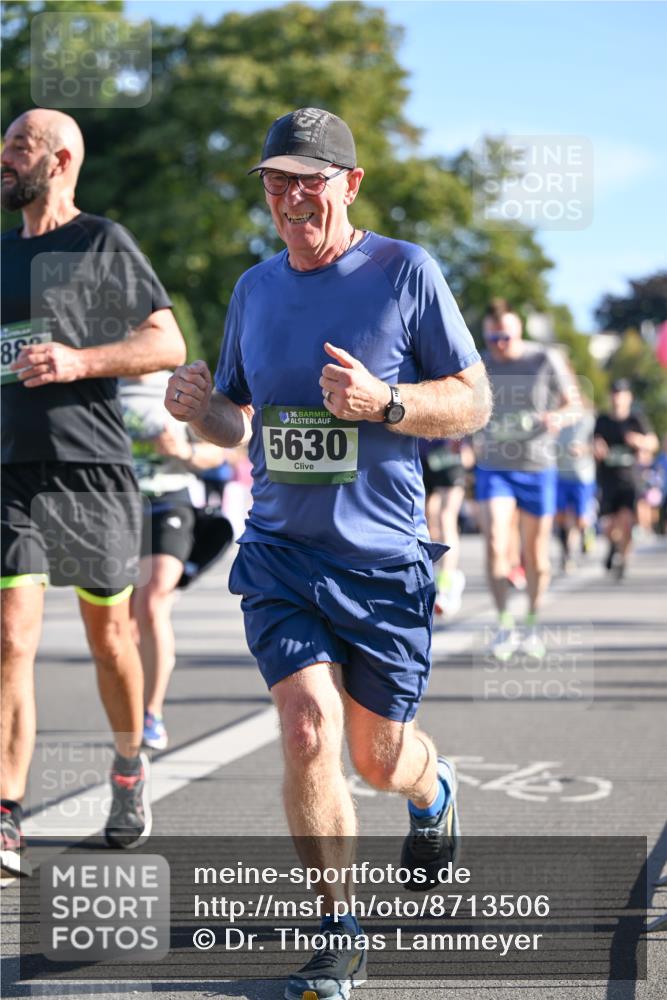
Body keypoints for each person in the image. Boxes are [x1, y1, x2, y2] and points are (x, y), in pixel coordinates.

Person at [164, 108, 491, 1000]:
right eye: (276, 181)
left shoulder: (404, 273)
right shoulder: (253, 290)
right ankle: (336, 929)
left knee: (379, 758)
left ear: (348, 185)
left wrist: (385, 404)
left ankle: (433, 790)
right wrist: (201, 407)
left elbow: (471, 401)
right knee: (308, 727)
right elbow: (237, 417)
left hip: (382, 559)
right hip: (280, 552)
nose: (290, 198)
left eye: (309, 181)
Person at [0, 110, 186, 877]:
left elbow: (166, 344)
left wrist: (78, 362)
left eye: (17, 147)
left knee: (110, 638)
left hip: (91, 472)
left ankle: (127, 763)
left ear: (60, 158)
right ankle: (6, 811)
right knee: (11, 638)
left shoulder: (102, 241)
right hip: (11, 470)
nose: (4, 160)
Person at [120, 372, 231, 750]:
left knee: (151, 603)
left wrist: (181, 451)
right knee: (124, 622)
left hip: (168, 502)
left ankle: (151, 713)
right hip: (115, 509)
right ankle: (131, 705)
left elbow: (219, 449)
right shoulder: (101, 380)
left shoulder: (178, 382)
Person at [474, 299, 574, 661]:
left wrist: (558, 417)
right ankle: (504, 625)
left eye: (505, 337)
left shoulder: (544, 359)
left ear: (519, 333)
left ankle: (531, 623)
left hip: (537, 466)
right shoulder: (481, 364)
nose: (499, 344)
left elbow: (574, 403)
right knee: (496, 541)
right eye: (493, 338)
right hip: (494, 467)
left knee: (536, 556)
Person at [593, 379, 658, 579]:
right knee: (610, 525)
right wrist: (597, 448)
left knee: (628, 521)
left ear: (628, 397)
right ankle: (613, 546)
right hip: (608, 479)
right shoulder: (603, 420)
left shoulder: (636, 419)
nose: (617, 398)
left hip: (630, 479)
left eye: (621, 394)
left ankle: (622, 558)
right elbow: (594, 443)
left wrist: (640, 441)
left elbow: (653, 442)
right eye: (614, 393)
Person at [418, 437, 473, 617]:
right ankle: (434, 577)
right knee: (426, 521)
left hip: (450, 452)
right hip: (422, 451)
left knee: (446, 518)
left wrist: (467, 442)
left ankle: (446, 583)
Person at [555, 378, 597, 572]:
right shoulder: (556, 417)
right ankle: (567, 555)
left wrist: (585, 449)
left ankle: (586, 531)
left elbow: (598, 444)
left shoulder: (588, 417)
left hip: (582, 474)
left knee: (579, 518)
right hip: (560, 474)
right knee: (563, 518)